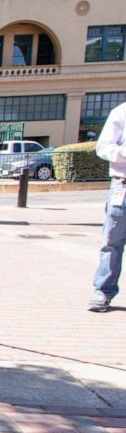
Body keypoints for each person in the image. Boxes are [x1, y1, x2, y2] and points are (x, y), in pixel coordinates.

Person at [87, 101, 126, 312]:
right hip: (123, 186)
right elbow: (103, 148)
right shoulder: (121, 112)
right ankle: (103, 291)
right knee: (112, 242)